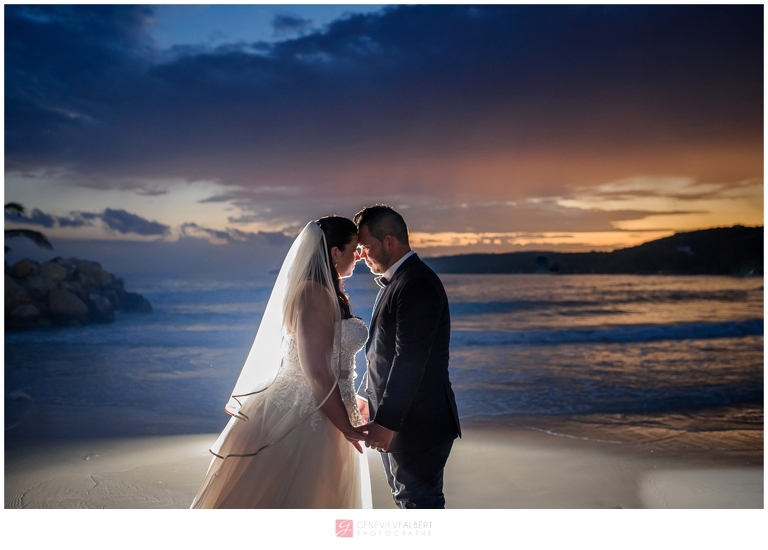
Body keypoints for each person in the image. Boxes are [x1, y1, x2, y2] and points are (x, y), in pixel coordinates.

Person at [191, 216, 372, 508]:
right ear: (335, 252)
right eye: (354, 249)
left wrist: (353, 397)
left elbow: (329, 363)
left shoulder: (324, 291)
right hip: (307, 412)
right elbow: (315, 372)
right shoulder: (313, 292)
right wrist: (346, 427)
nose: (359, 256)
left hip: (326, 402)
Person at [354, 205, 461, 509]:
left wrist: (386, 422)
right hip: (405, 420)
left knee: (418, 507)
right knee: (409, 504)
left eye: (366, 246)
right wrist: (366, 395)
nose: (361, 254)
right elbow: (383, 352)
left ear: (389, 241)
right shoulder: (400, 280)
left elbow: (410, 359)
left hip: (418, 424)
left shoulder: (417, 283)